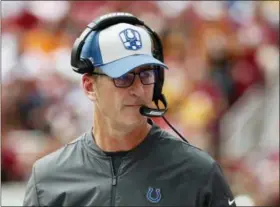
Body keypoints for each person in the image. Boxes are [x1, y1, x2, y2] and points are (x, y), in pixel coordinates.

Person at [23, 13, 236, 206]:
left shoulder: (197, 172)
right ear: (89, 87)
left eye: (146, 75)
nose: (138, 89)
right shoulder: (48, 179)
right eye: (123, 77)